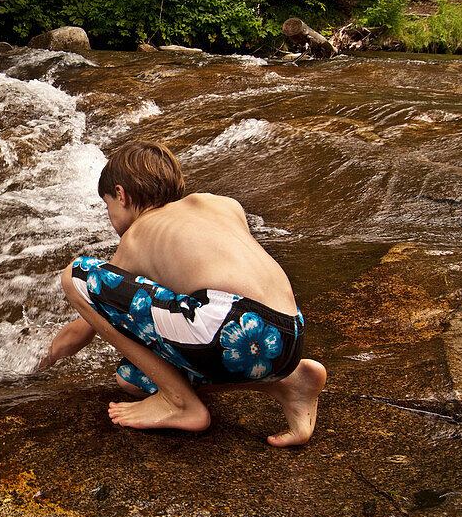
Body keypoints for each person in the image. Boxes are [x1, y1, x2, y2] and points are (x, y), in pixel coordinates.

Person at [39, 140, 326, 447]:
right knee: (132, 378)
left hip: (232, 324)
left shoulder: (137, 235)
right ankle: (288, 383)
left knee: (77, 276)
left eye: (108, 205)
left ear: (121, 195)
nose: (111, 218)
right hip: (287, 335)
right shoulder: (221, 204)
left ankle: (180, 403)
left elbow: (83, 329)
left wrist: (43, 361)